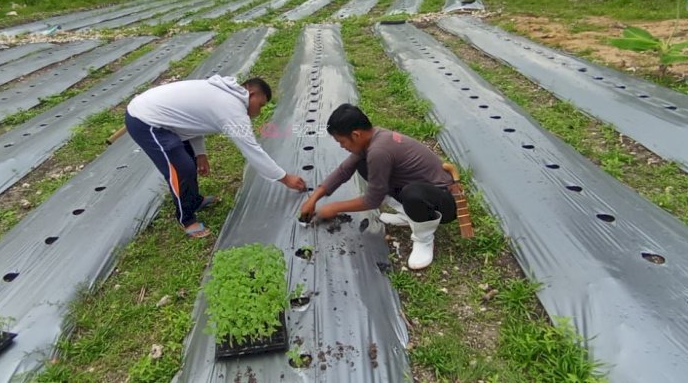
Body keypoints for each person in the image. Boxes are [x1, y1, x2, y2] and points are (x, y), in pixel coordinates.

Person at [126, 75, 307, 238]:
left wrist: (200, 154)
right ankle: (186, 219)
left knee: (189, 160)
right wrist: (285, 178)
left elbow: (192, 121)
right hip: (146, 120)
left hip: (164, 118)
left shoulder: (223, 93)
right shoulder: (232, 109)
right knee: (182, 168)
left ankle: (194, 201)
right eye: (260, 105)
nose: (258, 112)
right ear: (251, 93)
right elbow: (252, 150)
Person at [300, 104, 455, 269]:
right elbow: (344, 171)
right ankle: (409, 214)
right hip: (424, 189)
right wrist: (314, 198)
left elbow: (373, 200)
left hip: (443, 202)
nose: (342, 146)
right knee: (363, 165)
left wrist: (335, 207)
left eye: (342, 141)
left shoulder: (378, 151)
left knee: (412, 194)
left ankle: (424, 239)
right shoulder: (373, 137)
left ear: (356, 134)